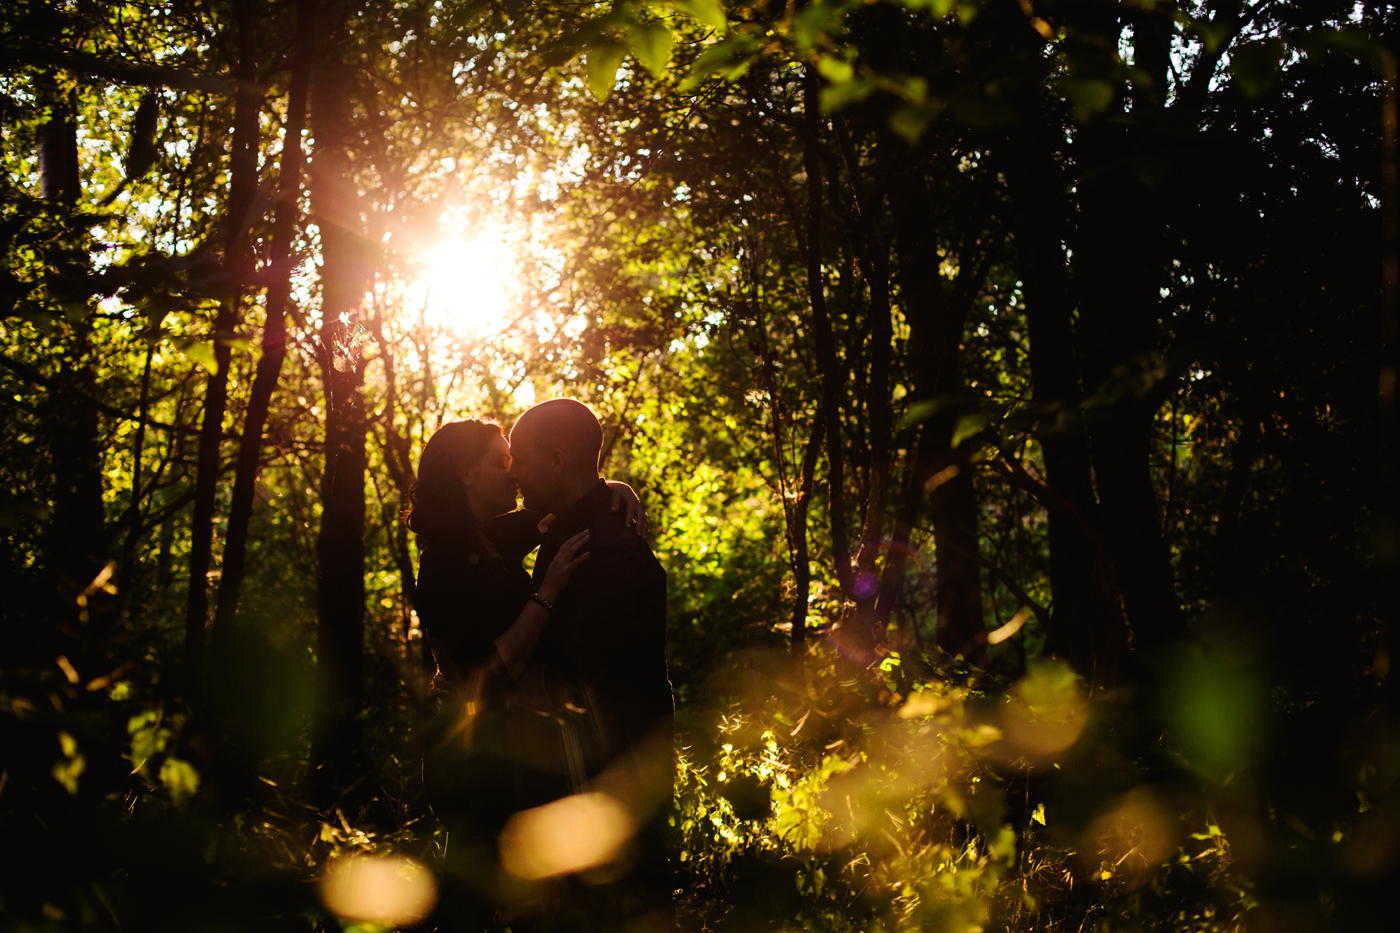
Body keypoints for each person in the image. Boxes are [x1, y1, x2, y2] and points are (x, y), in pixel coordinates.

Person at [404, 417, 648, 928]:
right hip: (480, 763)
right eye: (502, 463)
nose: (514, 476)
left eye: (515, 462)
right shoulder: (444, 563)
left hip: (517, 756)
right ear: (466, 473)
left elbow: (565, 501)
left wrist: (617, 488)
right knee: (469, 905)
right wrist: (550, 587)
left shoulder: (491, 536)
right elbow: (488, 675)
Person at [503, 398, 675, 933]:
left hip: (613, 790)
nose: (514, 475)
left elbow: (572, 683)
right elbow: (471, 532)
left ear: (556, 461)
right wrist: (614, 488)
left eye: (521, 461)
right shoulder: (565, 524)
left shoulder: (612, 554)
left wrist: (483, 683)